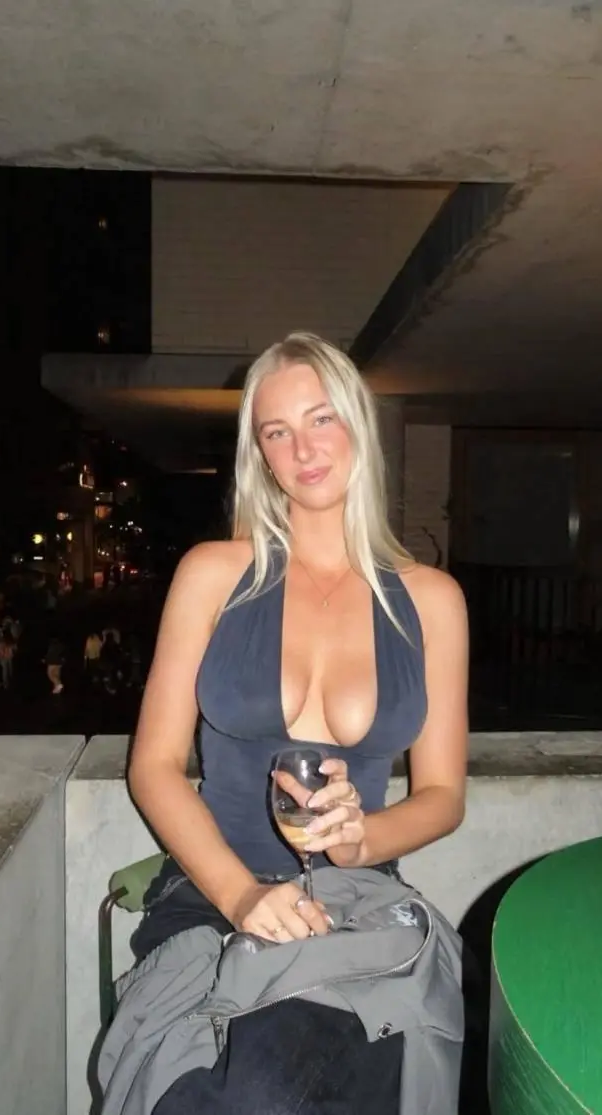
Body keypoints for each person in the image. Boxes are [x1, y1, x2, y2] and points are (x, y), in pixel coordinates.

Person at [122, 333, 469, 1113]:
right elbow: (153, 766)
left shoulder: (432, 600)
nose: (303, 449)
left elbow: (444, 793)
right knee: (240, 1086)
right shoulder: (212, 574)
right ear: (260, 456)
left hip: (354, 901)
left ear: (357, 425)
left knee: (322, 1075)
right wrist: (243, 896)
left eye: (321, 419)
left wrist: (363, 838)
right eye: (276, 431)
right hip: (212, 895)